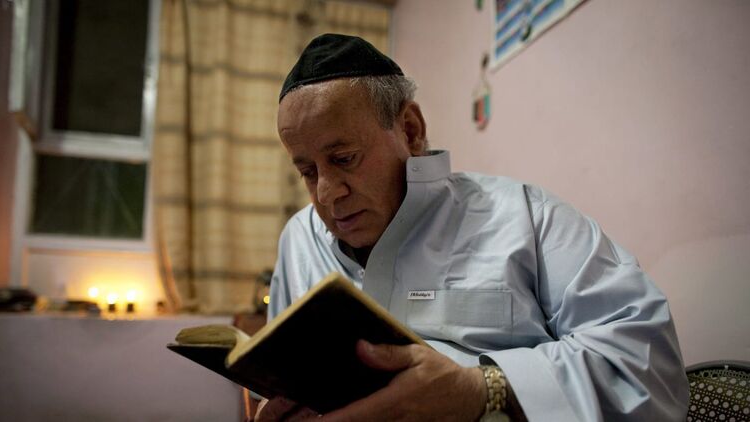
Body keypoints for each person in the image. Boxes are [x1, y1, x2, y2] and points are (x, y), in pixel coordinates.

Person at [256, 33, 689, 421]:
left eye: (344, 158)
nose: (327, 193)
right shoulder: (300, 241)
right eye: (307, 171)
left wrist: (483, 389)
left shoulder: (526, 217)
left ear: (410, 130)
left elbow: (647, 367)